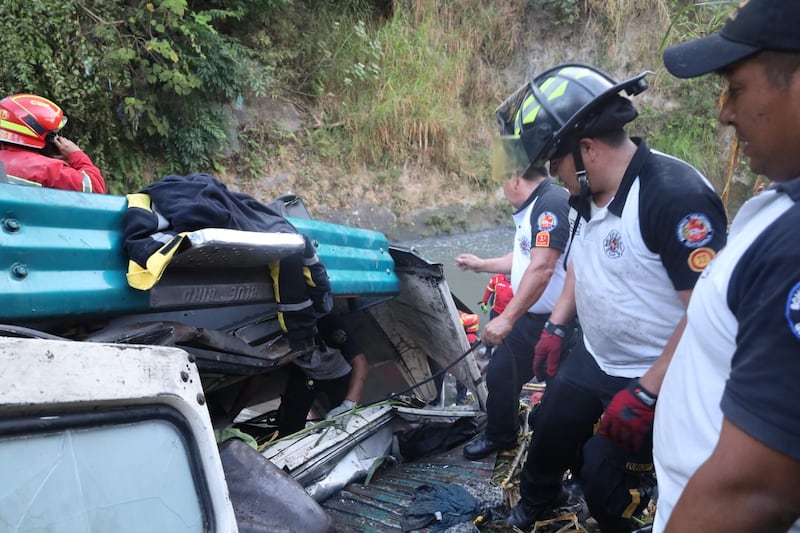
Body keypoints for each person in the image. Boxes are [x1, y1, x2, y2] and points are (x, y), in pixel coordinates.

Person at [504, 63, 728, 532]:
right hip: (596, 355)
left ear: (586, 149)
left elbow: (708, 313)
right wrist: (556, 325)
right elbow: (583, 266)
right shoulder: (584, 195)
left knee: (607, 477)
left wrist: (647, 391)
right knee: (549, 431)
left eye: (554, 164)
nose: (551, 176)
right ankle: (536, 504)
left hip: (656, 371)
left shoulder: (674, 198)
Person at [634, 2, 800, 531]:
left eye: (736, 87)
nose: (724, 113)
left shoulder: (793, 246)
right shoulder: (777, 209)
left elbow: (755, 490)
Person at [455, 98, 572, 460]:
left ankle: (556, 451)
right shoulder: (531, 208)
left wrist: (505, 317)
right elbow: (523, 258)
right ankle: (501, 435)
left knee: (560, 395)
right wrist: (481, 265)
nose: (502, 190)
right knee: (501, 375)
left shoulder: (551, 204)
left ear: (515, 178)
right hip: (528, 318)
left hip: (560, 323)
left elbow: (543, 268)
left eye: (502, 182)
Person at [276, 313, 368, 436]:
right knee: (290, 425)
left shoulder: (329, 324)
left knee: (343, 425)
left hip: (339, 375)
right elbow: (260, 373)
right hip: (305, 374)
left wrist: (349, 403)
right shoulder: (275, 336)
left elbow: (360, 362)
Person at [0, 94, 106, 193]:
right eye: (54, 134)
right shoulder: (48, 169)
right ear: (38, 132)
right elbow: (95, 187)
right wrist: (77, 155)